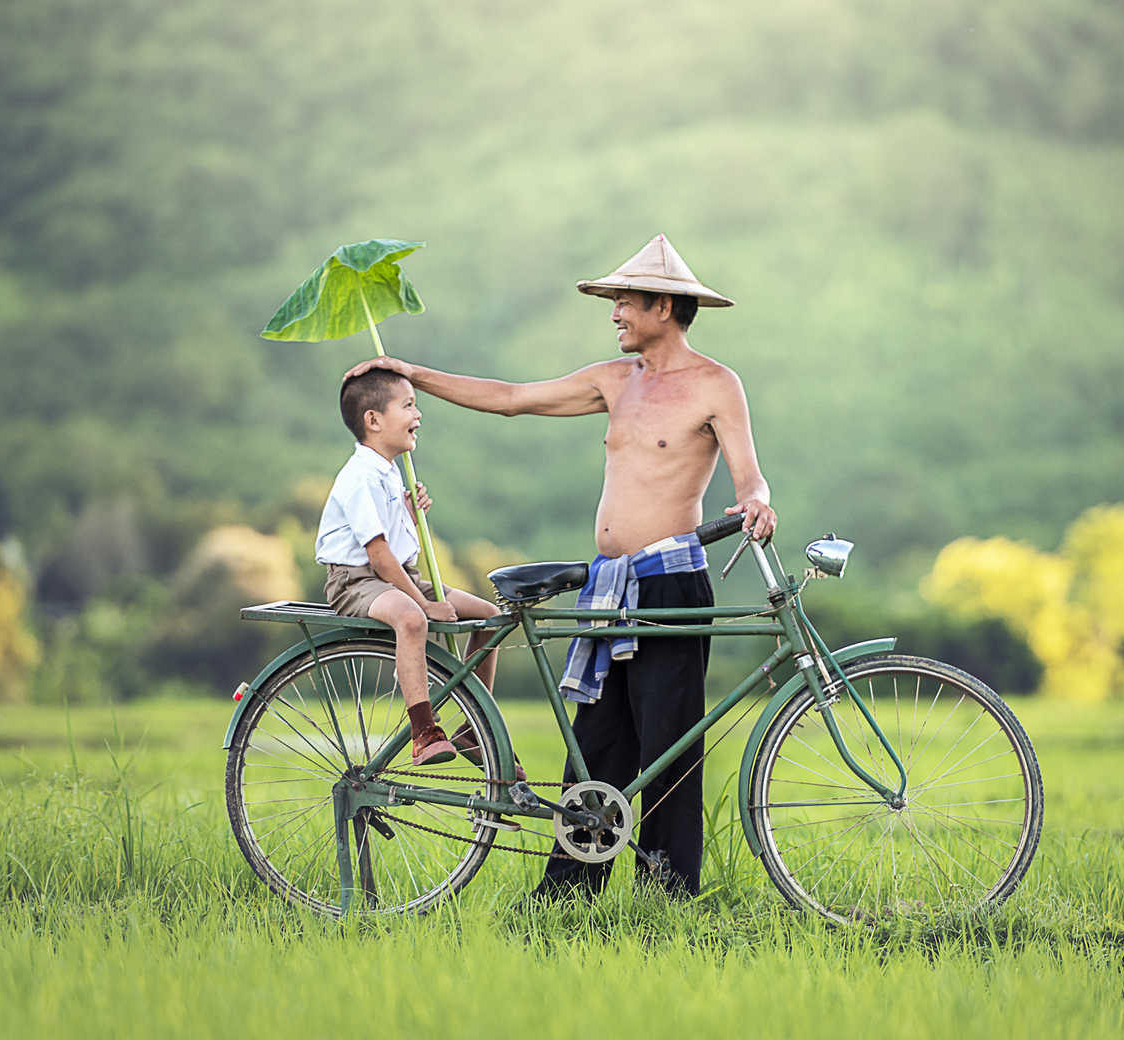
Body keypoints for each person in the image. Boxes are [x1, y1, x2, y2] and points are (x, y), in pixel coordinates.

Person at [346, 234, 779, 898]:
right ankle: (567, 896)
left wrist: (755, 504)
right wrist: (413, 374)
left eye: (624, 302)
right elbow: (513, 397)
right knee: (598, 742)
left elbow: (750, 478)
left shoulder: (717, 385)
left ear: (663, 306)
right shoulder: (614, 380)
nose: (613, 314)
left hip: (670, 583)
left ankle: (664, 894)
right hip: (607, 585)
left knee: (668, 744)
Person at [316, 368, 502, 766]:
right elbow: (379, 555)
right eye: (408, 405)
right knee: (413, 619)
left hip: (398, 577)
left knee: (490, 617)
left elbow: (395, 547)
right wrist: (424, 603)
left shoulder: (387, 469)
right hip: (356, 580)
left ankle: (472, 727)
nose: (418, 415)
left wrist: (409, 516)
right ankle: (423, 731)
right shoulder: (360, 476)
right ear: (373, 420)